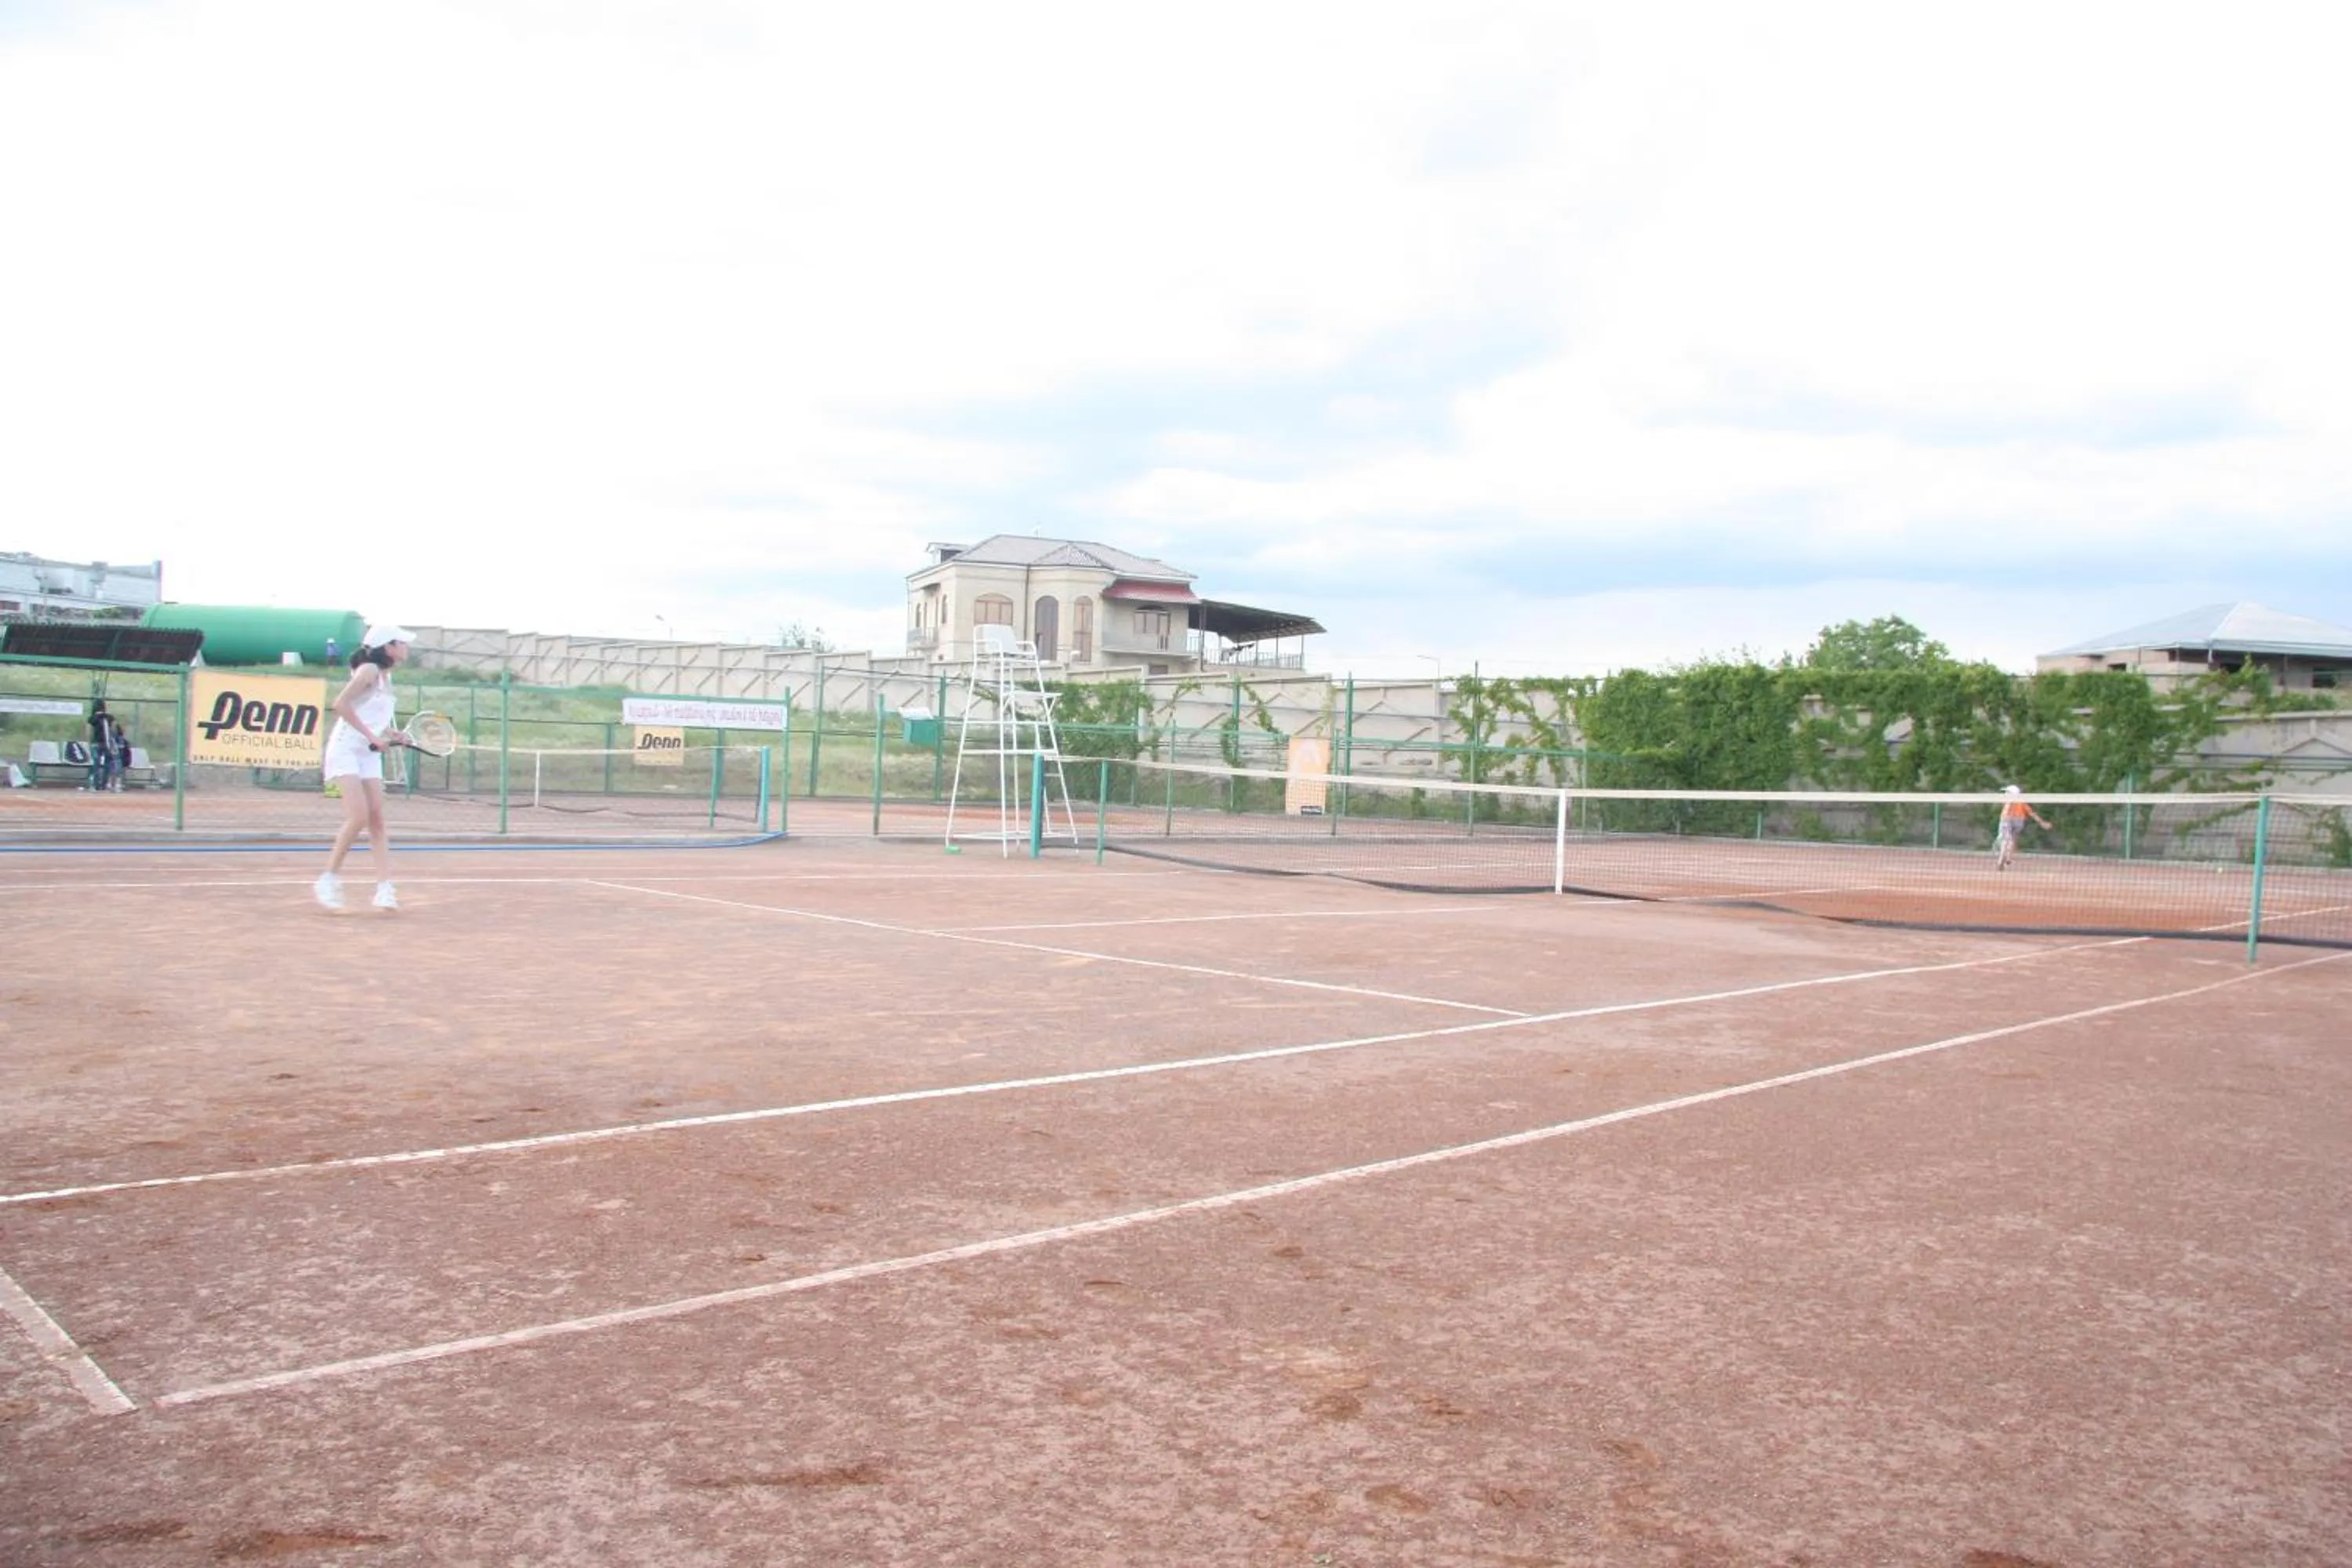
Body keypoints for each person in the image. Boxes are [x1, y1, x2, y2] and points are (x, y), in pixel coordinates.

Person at [314, 624, 417, 912]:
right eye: (402, 643)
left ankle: (385, 889)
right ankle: (329, 878)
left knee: (377, 819)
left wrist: (391, 734)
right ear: (389, 647)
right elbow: (342, 704)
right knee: (358, 816)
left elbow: (371, 714)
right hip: (346, 748)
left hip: (367, 752)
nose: (406, 648)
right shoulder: (369, 670)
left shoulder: (386, 677)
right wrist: (373, 737)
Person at [1995, 784, 2052, 870]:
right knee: (2011, 839)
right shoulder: (2021, 802)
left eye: (2007, 792)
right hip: (2019, 820)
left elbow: (2007, 813)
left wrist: (2042, 823)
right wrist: (2042, 822)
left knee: (2007, 840)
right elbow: (2031, 813)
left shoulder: (2009, 802)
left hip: (2007, 819)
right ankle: (2008, 858)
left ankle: (2002, 860)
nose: (2005, 793)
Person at [83, 700, 114, 791]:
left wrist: (88, 742)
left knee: (96, 764)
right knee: (107, 764)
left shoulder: (92, 718)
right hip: (107, 743)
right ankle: (104, 784)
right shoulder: (110, 718)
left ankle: (96, 785)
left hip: (96, 743)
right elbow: (114, 730)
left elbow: (88, 731)